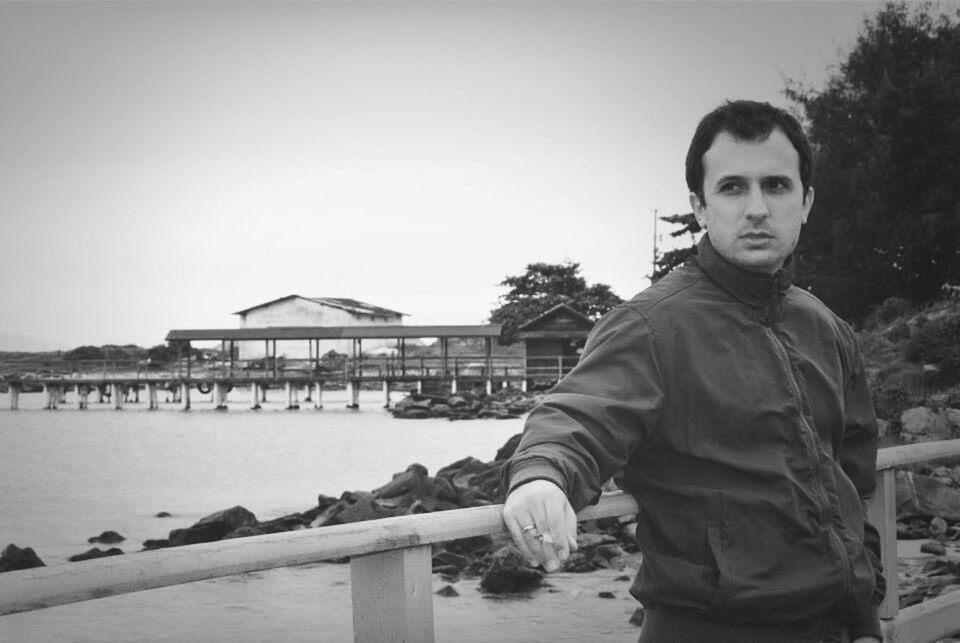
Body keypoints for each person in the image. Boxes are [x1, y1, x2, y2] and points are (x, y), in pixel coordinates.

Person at [501, 99, 885, 643]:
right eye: (732, 188)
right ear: (700, 207)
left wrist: (867, 621)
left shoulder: (825, 327)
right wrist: (541, 477)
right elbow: (578, 414)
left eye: (776, 186)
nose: (756, 208)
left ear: (806, 202)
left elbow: (853, 483)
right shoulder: (651, 325)